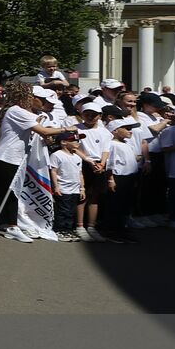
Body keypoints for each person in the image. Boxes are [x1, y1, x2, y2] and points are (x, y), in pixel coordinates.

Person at [0, 82, 63, 242]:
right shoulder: (17, 111)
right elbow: (44, 130)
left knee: (13, 193)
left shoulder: (32, 114)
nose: (45, 104)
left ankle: (13, 226)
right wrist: (67, 129)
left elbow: (45, 134)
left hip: (19, 158)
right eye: (40, 99)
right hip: (6, 156)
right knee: (1, 192)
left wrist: (48, 134)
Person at [74, 99, 112, 242]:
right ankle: (79, 226)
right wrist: (88, 160)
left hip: (99, 165)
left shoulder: (104, 132)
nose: (90, 117)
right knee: (82, 195)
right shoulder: (76, 128)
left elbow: (106, 149)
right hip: (82, 163)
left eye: (94, 114)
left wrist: (102, 163)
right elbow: (74, 147)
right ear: (82, 114)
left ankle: (91, 226)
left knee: (95, 196)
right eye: (87, 114)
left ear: (100, 116)